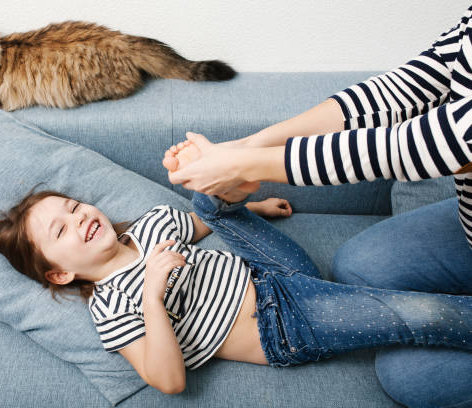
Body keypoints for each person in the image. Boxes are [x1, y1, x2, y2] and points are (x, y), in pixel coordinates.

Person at [165, 6, 472, 407]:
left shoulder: (153, 228)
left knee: (412, 375)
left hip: (282, 322)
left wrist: (248, 165)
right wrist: (248, 147)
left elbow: (448, 140)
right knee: (358, 264)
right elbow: (412, 86)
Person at [0, 180, 472, 396]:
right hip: (284, 326)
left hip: (275, 272)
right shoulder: (112, 306)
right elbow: (169, 382)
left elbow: (200, 222)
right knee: (419, 317)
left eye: (72, 207)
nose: (79, 219)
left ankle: (230, 177)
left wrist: (253, 211)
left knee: (207, 197)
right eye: (61, 231)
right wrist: (153, 295)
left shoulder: (154, 225)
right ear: (60, 274)